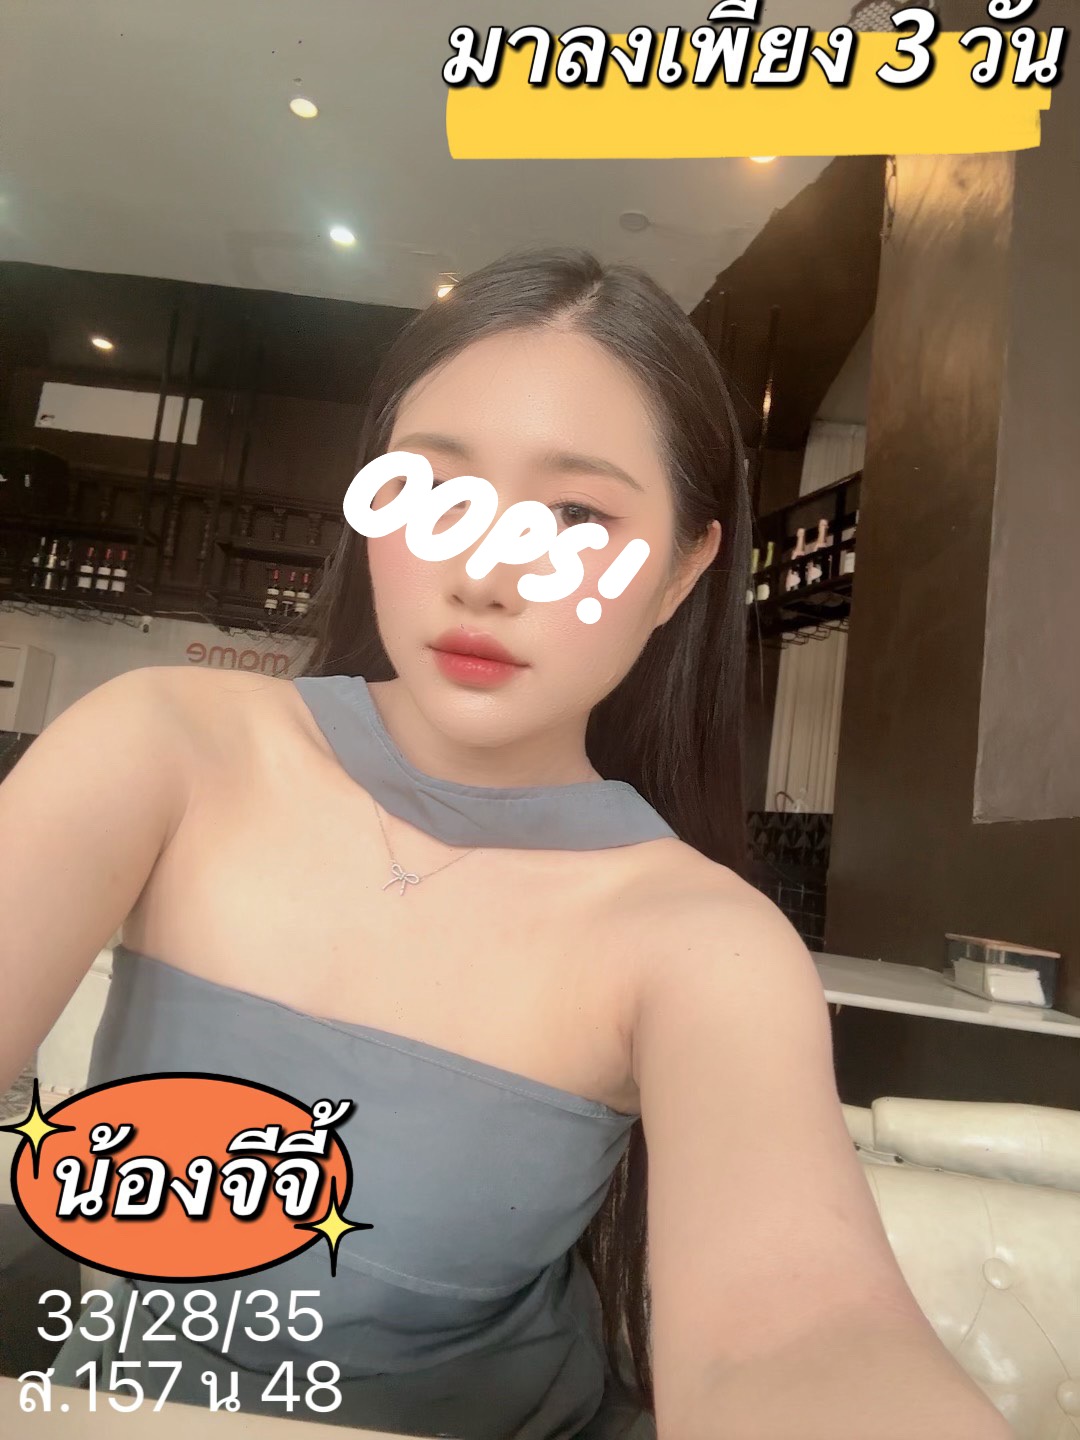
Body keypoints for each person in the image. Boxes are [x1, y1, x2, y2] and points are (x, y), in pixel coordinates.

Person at [0, 248, 1007, 1440]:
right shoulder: (161, 744)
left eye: (577, 517)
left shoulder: (701, 942)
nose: (485, 573)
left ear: (681, 570)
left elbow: (795, 1331)